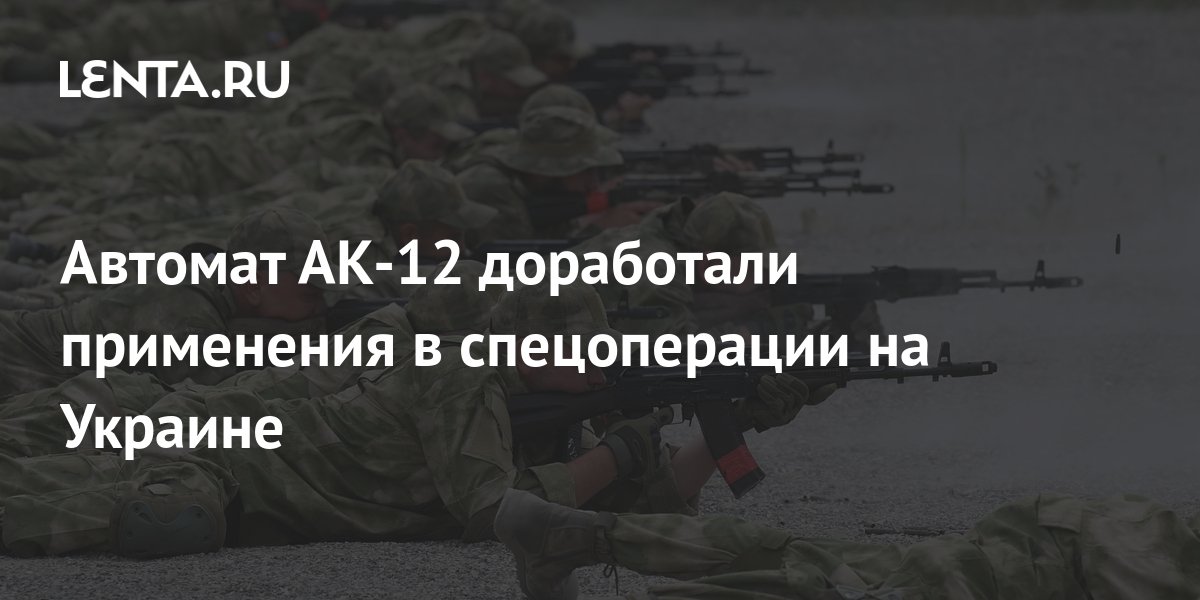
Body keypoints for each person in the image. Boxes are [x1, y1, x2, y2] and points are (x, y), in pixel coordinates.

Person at [0, 281, 818, 557]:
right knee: (164, 524)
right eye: (576, 349)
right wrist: (621, 450)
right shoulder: (458, 376)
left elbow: (638, 499)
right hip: (220, 454)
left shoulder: (545, 410)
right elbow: (495, 514)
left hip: (264, 502)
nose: (594, 364)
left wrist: (731, 427)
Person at [496, 488, 1200, 600]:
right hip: (968, 581)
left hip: (973, 566)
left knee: (780, 552)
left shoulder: (1155, 527)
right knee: (807, 576)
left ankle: (570, 532)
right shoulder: (1163, 543)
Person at [0, 207, 335, 398]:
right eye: (310, 294)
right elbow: (223, 401)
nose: (320, 307)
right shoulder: (184, 312)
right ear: (251, 285)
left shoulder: (211, 284)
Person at [458, 106, 657, 244]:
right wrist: (599, 232)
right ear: (551, 168)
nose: (593, 183)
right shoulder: (488, 185)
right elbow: (522, 270)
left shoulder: (533, 188)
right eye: (585, 171)